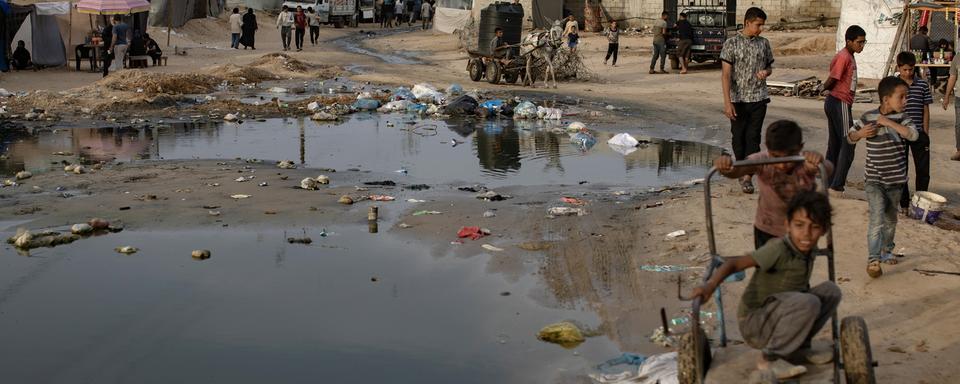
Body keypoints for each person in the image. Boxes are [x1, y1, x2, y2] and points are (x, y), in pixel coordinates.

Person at [686, 191, 840, 381]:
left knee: (831, 291)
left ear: (824, 230)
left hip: (784, 313)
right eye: (799, 225)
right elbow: (734, 264)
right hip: (755, 323)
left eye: (814, 227)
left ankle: (800, 346)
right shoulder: (778, 249)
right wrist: (710, 285)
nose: (806, 234)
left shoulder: (809, 248)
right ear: (787, 225)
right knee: (809, 302)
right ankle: (769, 358)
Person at [714, 120, 832, 249]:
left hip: (802, 230)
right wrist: (725, 166)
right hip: (767, 228)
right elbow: (738, 171)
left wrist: (818, 161)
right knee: (766, 266)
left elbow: (828, 169)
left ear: (800, 147)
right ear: (767, 148)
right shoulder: (762, 159)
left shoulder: (804, 162)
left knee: (799, 268)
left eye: (789, 157)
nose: (782, 164)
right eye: (776, 156)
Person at [848, 76, 919, 278]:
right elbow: (849, 137)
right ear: (886, 99)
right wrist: (861, 134)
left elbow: (913, 135)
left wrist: (887, 122)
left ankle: (887, 250)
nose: (905, 101)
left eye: (907, 97)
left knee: (890, 221)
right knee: (877, 219)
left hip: (896, 181)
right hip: (874, 180)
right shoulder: (867, 117)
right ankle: (873, 260)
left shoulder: (903, 118)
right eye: (902, 97)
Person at [719, 7, 773, 194]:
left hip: (759, 98)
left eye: (762, 25)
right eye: (758, 25)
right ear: (747, 23)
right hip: (738, 100)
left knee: (754, 137)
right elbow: (725, 75)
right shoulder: (731, 44)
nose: (760, 29)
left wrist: (766, 72)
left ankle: (748, 177)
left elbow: (769, 66)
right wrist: (727, 102)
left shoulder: (764, 43)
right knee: (738, 137)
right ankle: (741, 169)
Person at [823, 25, 866, 195]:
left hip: (839, 102)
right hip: (839, 101)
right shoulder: (844, 57)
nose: (861, 46)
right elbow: (833, 78)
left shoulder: (849, 56)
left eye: (864, 42)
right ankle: (837, 184)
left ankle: (828, 182)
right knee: (848, 142)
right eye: (859, 42)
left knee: (835, 145)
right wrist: (822, 88)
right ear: (849, 41)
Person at [894, 52, 932, 213]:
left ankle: (920, 205)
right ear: (899, 68)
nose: (908, 73)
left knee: (923, 171)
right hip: (900, 134)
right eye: (905, 69)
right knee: (902, 171)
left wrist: (925, 132)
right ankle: (904, 205)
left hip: (919, 134)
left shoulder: (923, 85)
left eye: (910, 69)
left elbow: (925, 110)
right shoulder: (894, 85)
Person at [940, 40, 960, 161]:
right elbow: (952, 77)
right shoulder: (957, 58)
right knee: (959, 125)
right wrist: (947, 96)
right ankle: (959, 150)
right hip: (959, 97)